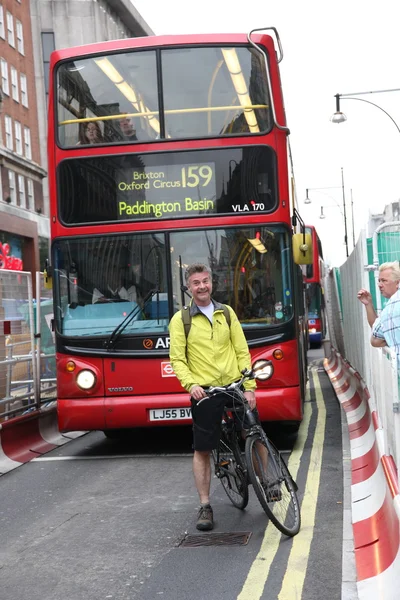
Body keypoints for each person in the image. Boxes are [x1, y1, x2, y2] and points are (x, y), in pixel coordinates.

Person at [169, 263, 257, 531]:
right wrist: (191, 384)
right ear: (189, 287)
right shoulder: (180, 320)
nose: (202, 286)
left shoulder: (227, 313)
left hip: (234, 385)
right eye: (196, 283)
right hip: (205, 391)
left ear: (212, 283)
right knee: (203, 449)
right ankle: (205, 505)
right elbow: (177, 359)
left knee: (255, 431)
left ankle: (269, 482)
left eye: (205, 281)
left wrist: (249, 385)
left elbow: (242, 350)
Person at [357, 261, 400, 354]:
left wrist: (388, 338)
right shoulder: (390, 308)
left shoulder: (391, 307)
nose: (379, 285)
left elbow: (375, 339)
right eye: (379, 280)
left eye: (384, 281)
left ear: (398, 283)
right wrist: (368, 304)